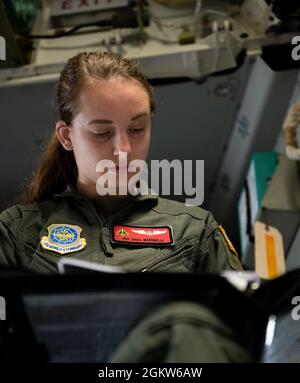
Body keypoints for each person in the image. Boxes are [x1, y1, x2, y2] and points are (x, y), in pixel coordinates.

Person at [0, 51, 251, 362]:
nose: (123, 149)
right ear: (66, 136)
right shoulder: (16, 231)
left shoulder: (196, 230)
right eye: (102, 132)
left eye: (137, 128)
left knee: (185, 326)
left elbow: (243, 333)